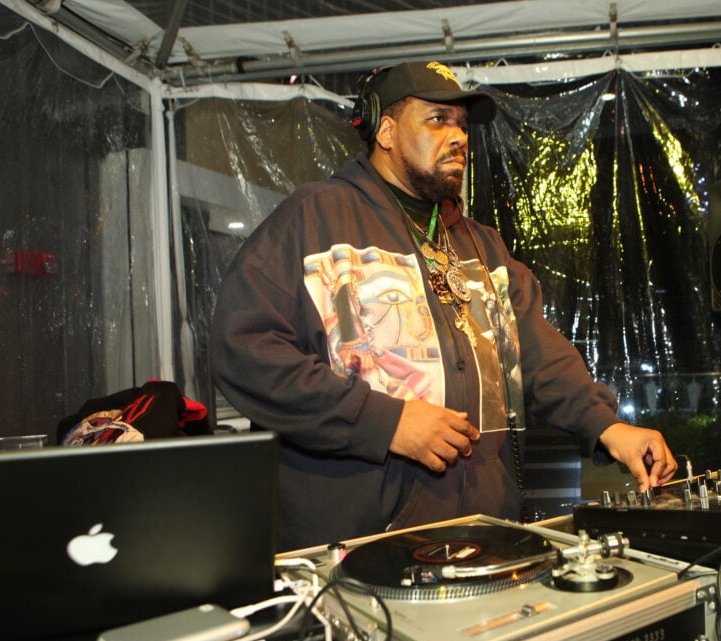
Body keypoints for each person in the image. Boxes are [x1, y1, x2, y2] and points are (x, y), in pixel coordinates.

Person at [210, 60, 677, 551]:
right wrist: (383, 422)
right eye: (437, 119)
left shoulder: (482, 245)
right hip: (358, 548)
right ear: (386, 131)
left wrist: (608, 426)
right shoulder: (316, 217)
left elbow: (537, 355)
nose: (458, 137)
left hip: (481, 531)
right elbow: (244, 350)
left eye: (461, 124)